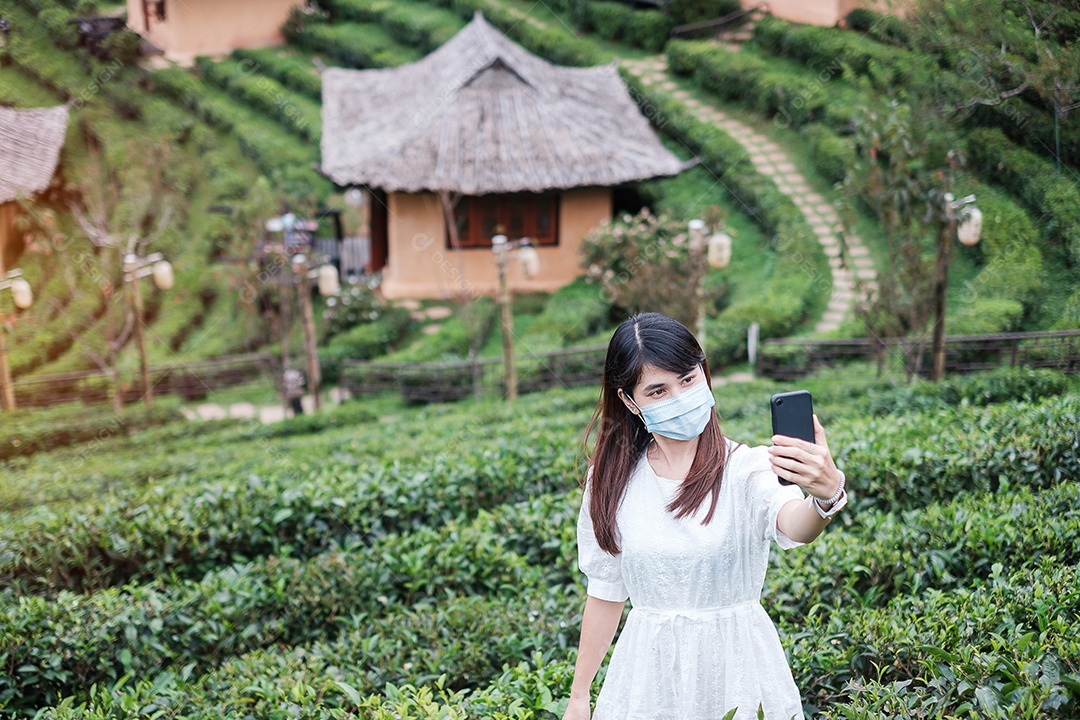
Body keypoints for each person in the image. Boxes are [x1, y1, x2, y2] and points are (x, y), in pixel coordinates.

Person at [563, 312, 848, 720]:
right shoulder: (611, 480)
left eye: (688, 379)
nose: (680, 397)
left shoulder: (744, 467)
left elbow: (794, 523)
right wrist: (579, 696)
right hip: (647, 679)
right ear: (629, 401)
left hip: (736, 672)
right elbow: (606, 592)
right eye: (657, 390)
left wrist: (825, 495)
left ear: (704, 374)